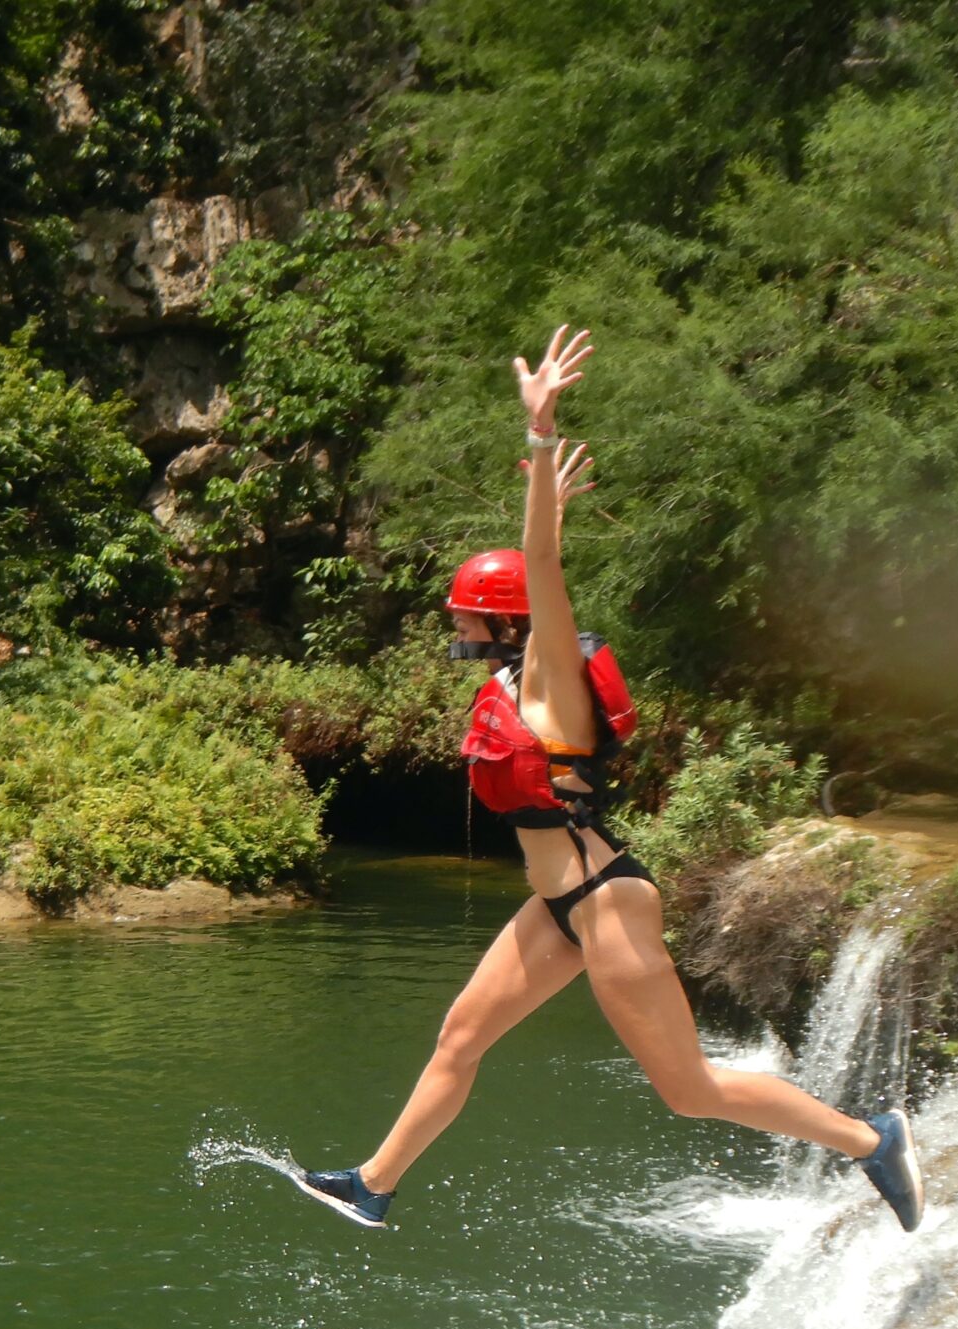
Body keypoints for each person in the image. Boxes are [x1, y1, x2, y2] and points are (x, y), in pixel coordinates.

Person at [296, 326, 922, 1233]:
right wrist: (544, 487)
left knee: (689, 1089)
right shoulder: (512, 683)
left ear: (504, 623)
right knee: (461, 1036)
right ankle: (374, 1185)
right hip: (558, 905)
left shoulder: (551, 674)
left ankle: (872, 1141)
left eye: (469, 615)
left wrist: (541, 439)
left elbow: (544, 566)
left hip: (604, 899)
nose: (459, 627)